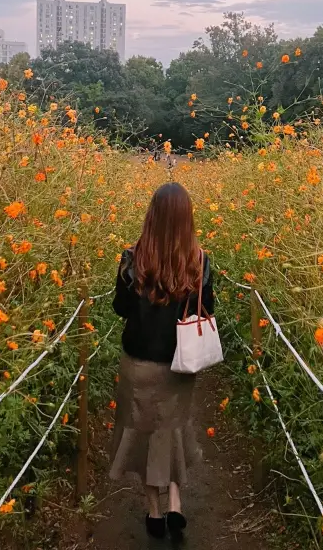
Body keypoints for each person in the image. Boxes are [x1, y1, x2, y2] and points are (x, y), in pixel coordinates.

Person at [110, 182, 215, 541]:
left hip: (138, 362)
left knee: (142, 433)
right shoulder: (199, 259)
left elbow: (120, 309)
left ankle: (153, 511)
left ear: (151, 215)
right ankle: (175, 503)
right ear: (188, 218)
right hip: (179, 364)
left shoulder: (132, 257)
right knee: (171, 430)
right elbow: (207, 309)